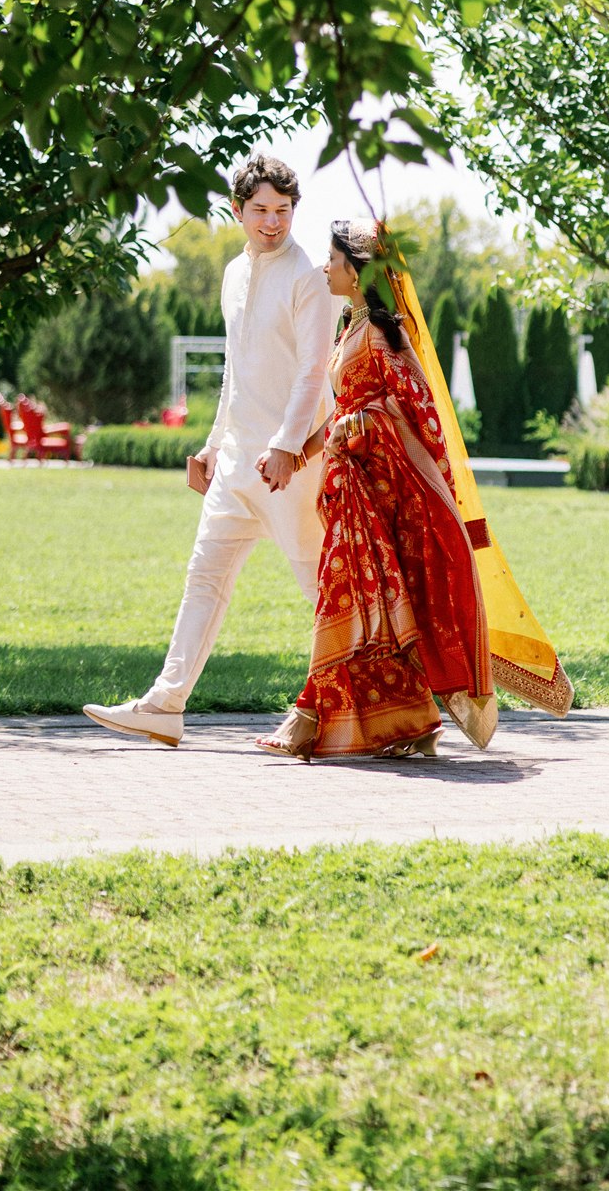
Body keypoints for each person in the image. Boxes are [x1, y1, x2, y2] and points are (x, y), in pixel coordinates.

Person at [83, 151, 336, 749]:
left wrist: (286, 446)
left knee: (321, 588)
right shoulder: (233, 274)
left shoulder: (309, 278)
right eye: (261, 210)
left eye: (283, 210)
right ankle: (165, 705)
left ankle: (380, 701)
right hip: (236, 466)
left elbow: (311, 374)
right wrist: (213, 443)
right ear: (237, 210)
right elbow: (235, 371)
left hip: (293, 468)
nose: (273, 222)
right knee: (204, 577)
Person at [256, 218, 497, 761]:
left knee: (347, 596)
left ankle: (309, 715)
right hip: (352, 492)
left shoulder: (387, 334)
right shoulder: (349, 327)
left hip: (385, 493)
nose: (324, 266)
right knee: (372, 610)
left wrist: (364, 424)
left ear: (356, 268)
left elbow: (418, 408)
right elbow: (342, 412)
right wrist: (295, 454)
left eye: (333, 258)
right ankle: (409, 720)